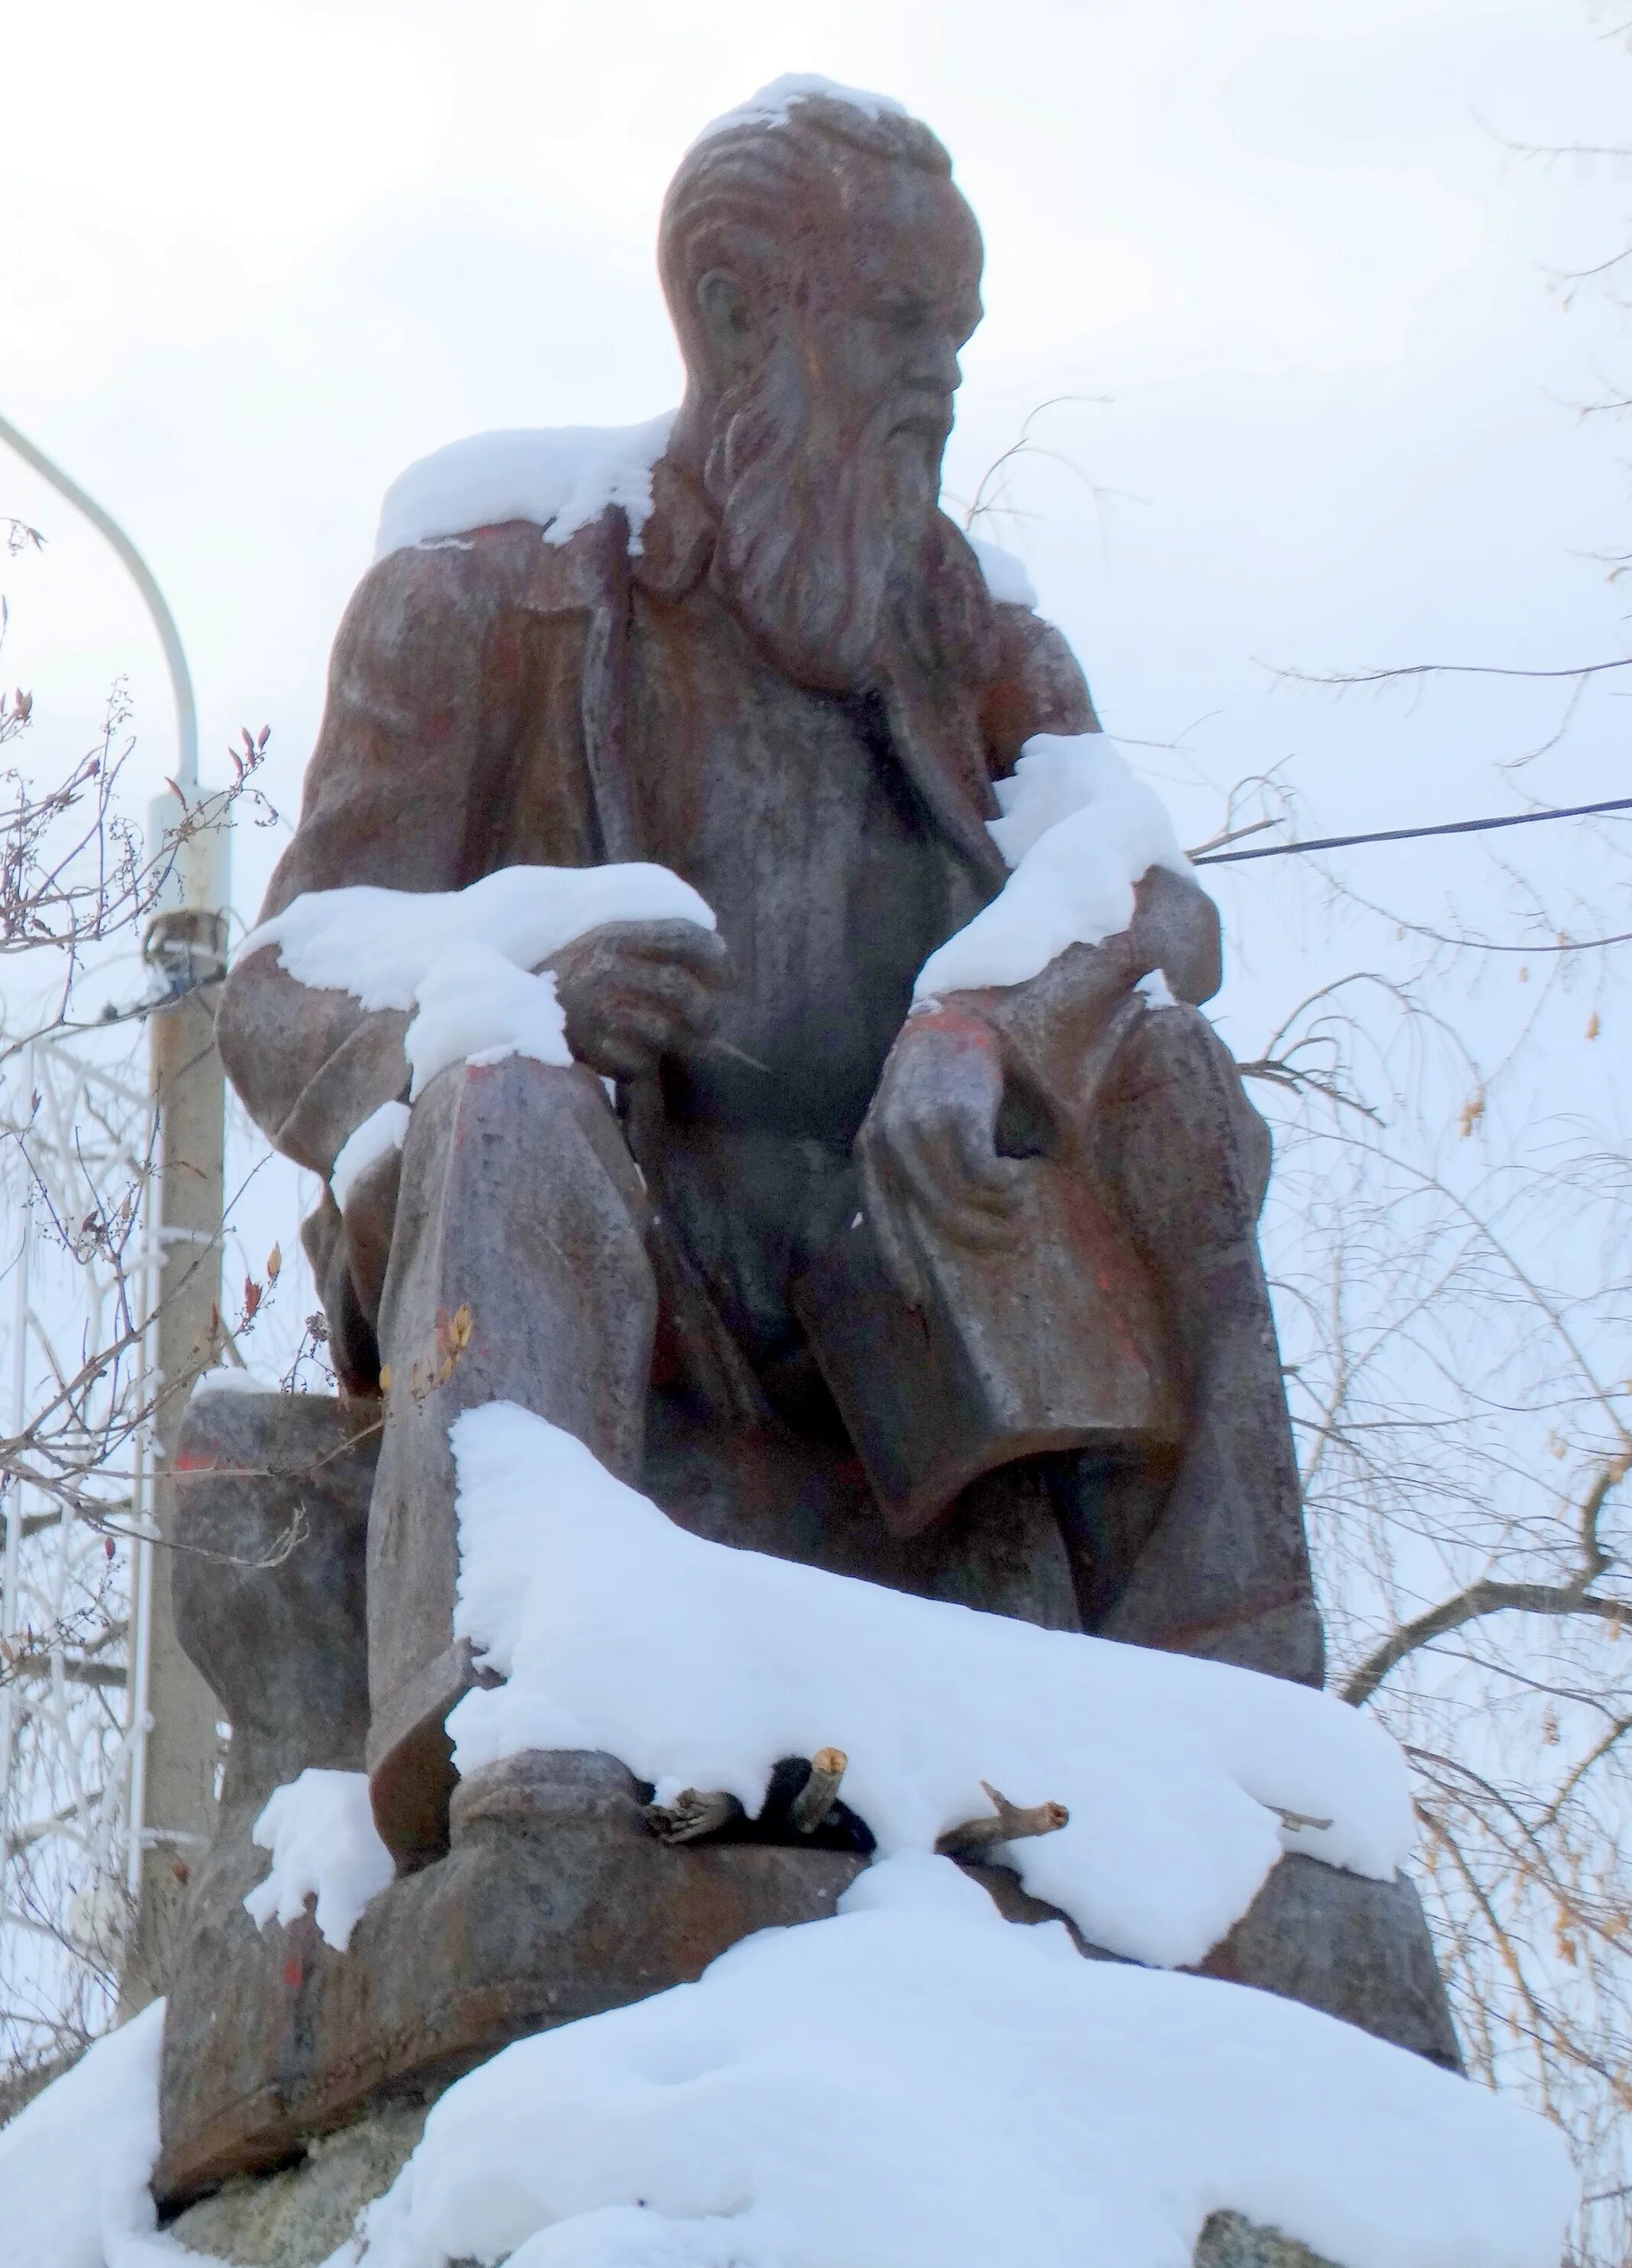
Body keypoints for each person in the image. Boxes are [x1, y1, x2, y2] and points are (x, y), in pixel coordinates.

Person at [219, 83, 1320, 1864]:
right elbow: (280, 984)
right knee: (505, 1084)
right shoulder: (483, 596)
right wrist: (513, 970)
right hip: (584, 1246)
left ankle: (1248, 1756)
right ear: (734, 312)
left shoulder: (968, 635)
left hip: (887, 1311)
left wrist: (988, 1027)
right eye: (895, 323)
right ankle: (526, 1725)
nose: (940, 380)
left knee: (1167, 1076)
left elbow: (1144, 894)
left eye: (957, 333)